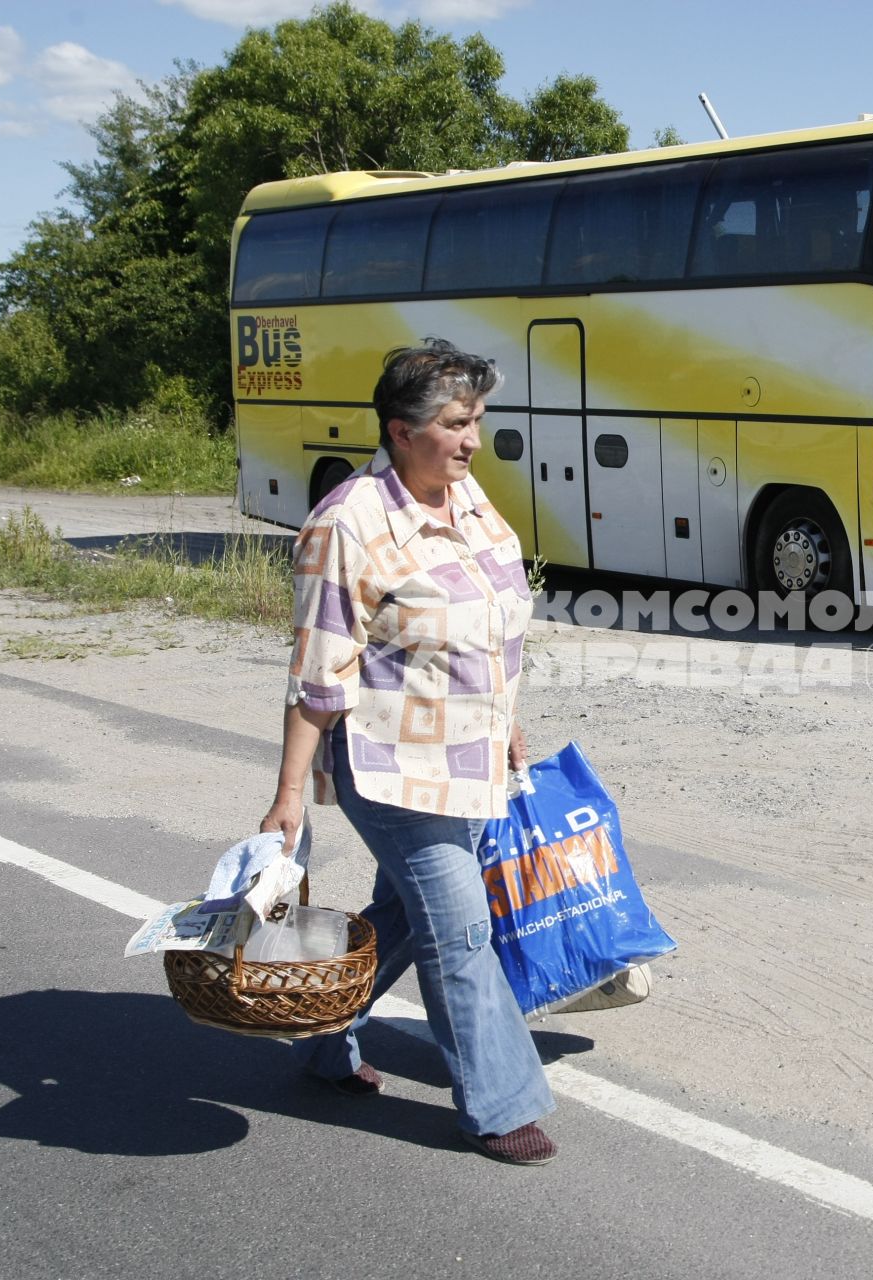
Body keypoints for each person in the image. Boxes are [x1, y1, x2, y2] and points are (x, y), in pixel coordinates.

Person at [259, 340, 555, 1166]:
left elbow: (491, 622)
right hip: (389, 764)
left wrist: (506, 722)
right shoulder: (345, 526)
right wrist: (289, 793)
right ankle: (499, 1107)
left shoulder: (466, 500)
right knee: (459, 929)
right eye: (455, 425)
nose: (472, 441)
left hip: (467, 754)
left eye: (476, 423)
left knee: (402, 914)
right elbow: (318, 670)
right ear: (400, 430)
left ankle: (322, 1036)